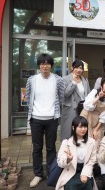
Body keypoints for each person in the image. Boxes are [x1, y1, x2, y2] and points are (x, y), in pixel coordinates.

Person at [26, 53, 65, 188]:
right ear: (39, 65)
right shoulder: (32, 80)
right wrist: (30, 116)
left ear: (51, 65)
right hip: (36, 118)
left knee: (51, 148)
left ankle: (50, 173)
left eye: (48, 63)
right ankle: (38, 174)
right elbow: (29, 99)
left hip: (52, 119)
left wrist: (56, 113)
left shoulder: (58, 80)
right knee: (37, 148)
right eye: (42, 63)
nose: (45, 66)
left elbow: (61, 98)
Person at [56, 116, 97, 190]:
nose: (83, 129)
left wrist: (85, 174)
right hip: (71, 172)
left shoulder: (92, 142)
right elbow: (60, 163)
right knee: (72, 186)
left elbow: (92, 161)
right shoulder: (66, 142)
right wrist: (68, 159)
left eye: (85, 127)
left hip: (86, 170)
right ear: (73, 128)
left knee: (87, 184)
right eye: (80, 127)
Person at [80, 76, 105, 149]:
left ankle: (95, 160)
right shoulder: (95, 92)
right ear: (102, 85)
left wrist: (96, 129)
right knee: (84, 141)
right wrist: (98, 97)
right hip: (86, 116)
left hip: (98, 122)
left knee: (97, 142)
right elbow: (87, 106)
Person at [61, 60, 90, 141]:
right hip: (71, 109)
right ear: (72, 68)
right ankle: (66, 150)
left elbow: (88, 94)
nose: (78, 70)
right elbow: (66, 94)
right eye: (76, 67)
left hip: (82, 109)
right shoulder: (65, 79)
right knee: (69, 132)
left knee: (81, 131)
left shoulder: (85, 80)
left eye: (80, 68)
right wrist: (73, 82)